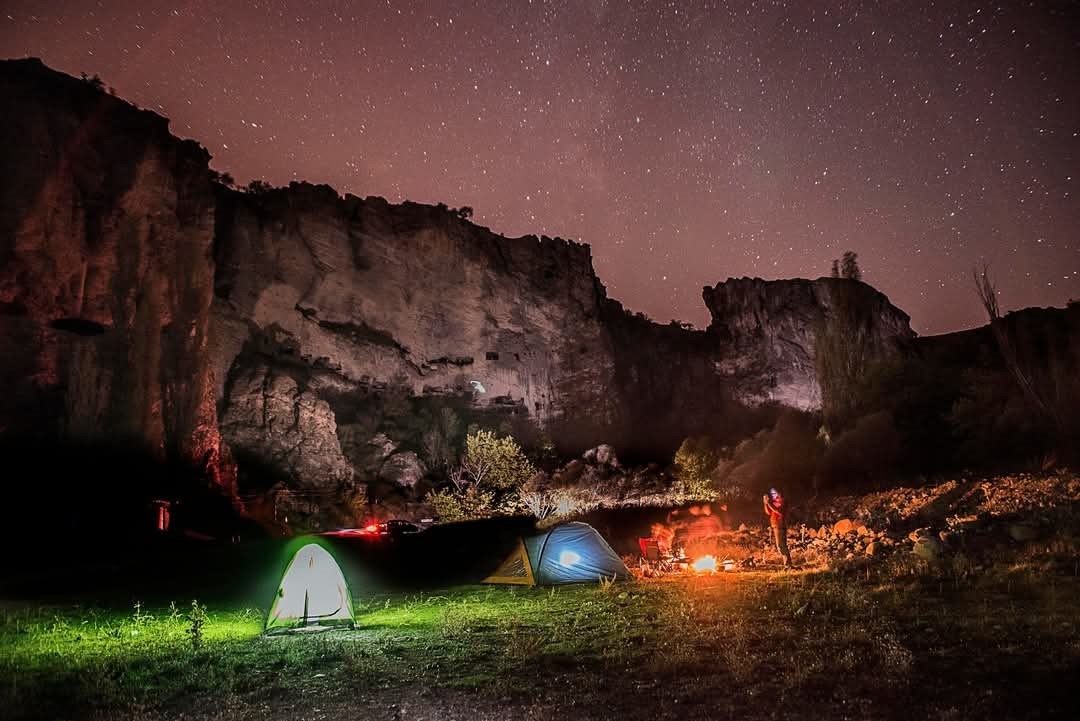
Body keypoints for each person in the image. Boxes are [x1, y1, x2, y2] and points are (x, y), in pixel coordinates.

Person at [763, 488, 792, 566]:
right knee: (780, 545)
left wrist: (769, 503)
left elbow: (778, 512)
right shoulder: (775, 503)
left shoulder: (783, 502)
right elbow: (768, 512)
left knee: (781, 545)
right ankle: (787, 564)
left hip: (780, 526)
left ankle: (788, 564)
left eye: (775, 494)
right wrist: (765, 503)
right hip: (775, 526)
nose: (773, 496)